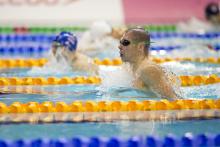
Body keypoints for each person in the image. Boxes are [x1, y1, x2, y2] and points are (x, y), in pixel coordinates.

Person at [118, 28, 181, 100]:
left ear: (140, 47)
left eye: (125, 43)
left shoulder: (149, 70)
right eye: (120, 42)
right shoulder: (129, 67)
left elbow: (174, 99)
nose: (119, 46)